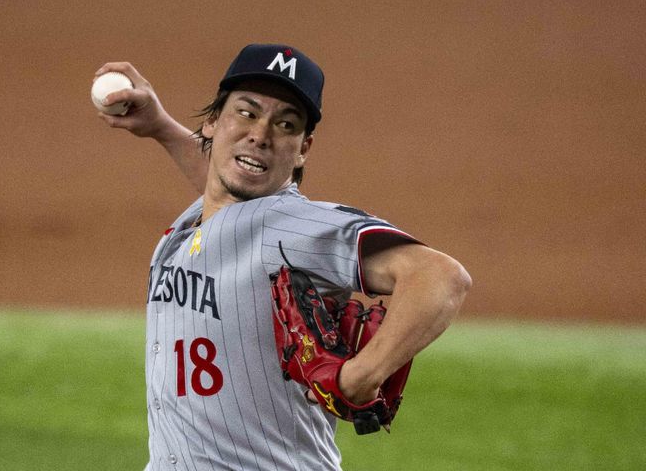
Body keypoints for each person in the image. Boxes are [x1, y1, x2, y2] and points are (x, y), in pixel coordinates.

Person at [95, 44, 471, 471]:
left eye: (285, 124)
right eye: (247, 113)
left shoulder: (291, 224)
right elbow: (229, 180)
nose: (260, 134)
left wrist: (362, 374)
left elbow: (441, 276)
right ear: (213, 122)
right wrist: (160, 126)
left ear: (303, 148)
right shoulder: (206, 217)